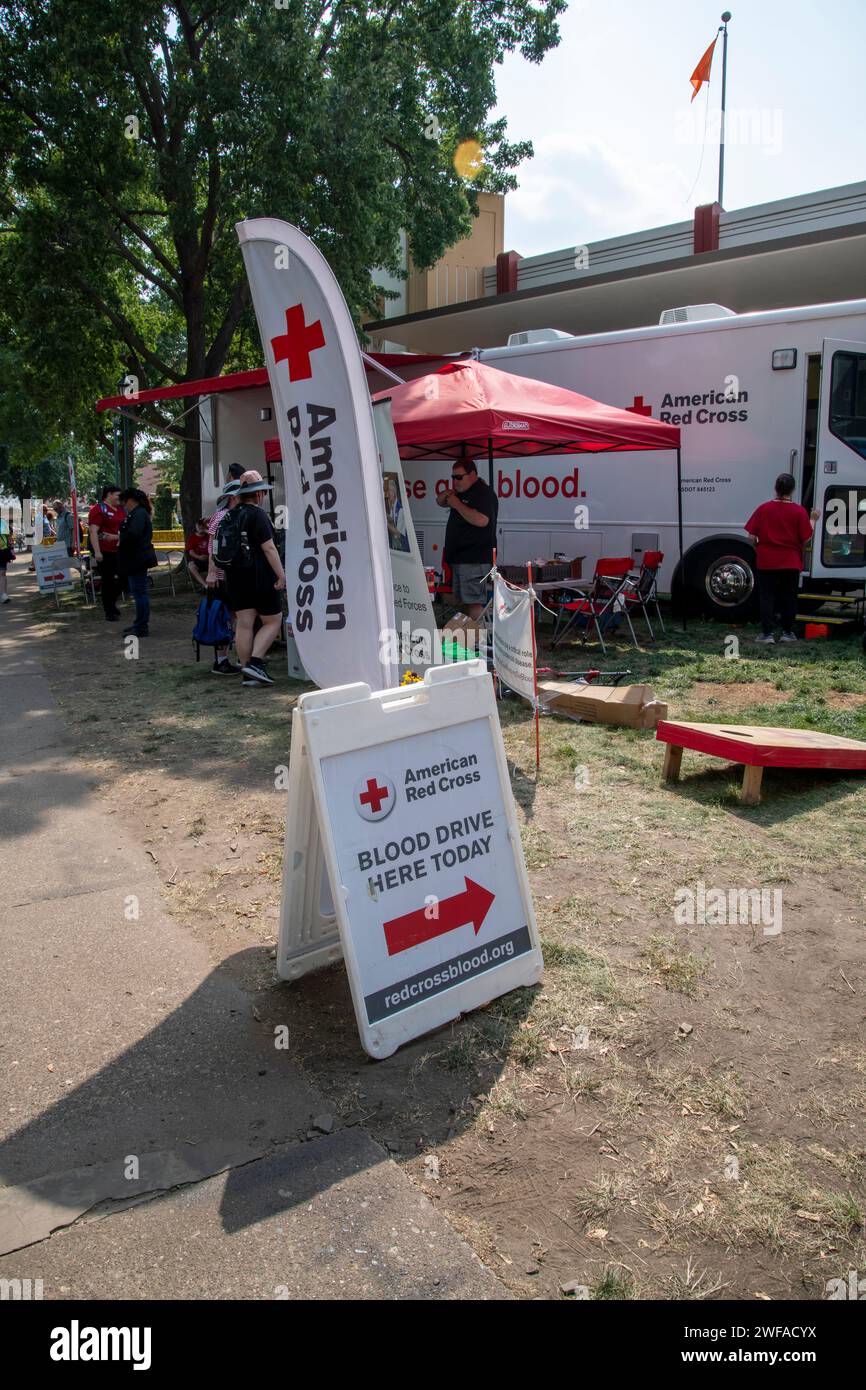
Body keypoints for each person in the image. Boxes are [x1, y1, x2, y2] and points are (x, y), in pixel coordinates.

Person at [217, 469, 286, 687]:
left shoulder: (230, 515)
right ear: (259, 494)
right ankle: (255, 663)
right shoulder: (258, 515)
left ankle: (247, 671)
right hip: (260, 575)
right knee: (273, 620)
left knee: (245, 623)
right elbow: (269, 548)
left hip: (235, 576)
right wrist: (281, 575)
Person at [745, 473, 819, 644]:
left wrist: (759, 547)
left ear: (775, 489)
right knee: (789, 597)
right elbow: (806, 537)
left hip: (767, 560)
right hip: (791, 561)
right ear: (792, 490)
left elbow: (751, 536)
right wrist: (813, 519)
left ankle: (767, 634)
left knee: (767, 597)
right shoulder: (799, 511)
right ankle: (787, 632)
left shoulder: (763, 508)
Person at [436, 458, 498, 620]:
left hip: (474, 558)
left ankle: (479, 642)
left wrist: (457, 504)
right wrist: (448, 495)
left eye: (458, 477)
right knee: (464, 601)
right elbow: (440, 501)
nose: (455, 481)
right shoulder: (461, 492)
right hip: (460, 558)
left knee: (474, 603)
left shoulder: (483, 493)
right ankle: (471, 639)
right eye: (453, 477)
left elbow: (482, 520)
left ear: (472, 475)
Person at [117, 488, 156, 638]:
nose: (123, 505)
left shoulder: (139, 514)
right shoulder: (136, 513)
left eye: (124, 502)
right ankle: (139, 623)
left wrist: (119, 537)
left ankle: (141, 626)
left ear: (131, 500)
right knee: (138, 593)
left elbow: (134, 534)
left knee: (140, 593)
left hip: (137, 559)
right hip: (134, 559)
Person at [88, 485, 126, 622]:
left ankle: (111, 602)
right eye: (117, 495)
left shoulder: (121, 509)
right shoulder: (99, 509)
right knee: (108, 581)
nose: (119, 498)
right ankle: (109, 611)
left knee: (124, 578)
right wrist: (97, 551)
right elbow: (93, 531)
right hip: (105, 552)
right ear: (109, 494)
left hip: (120, 550)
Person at [185, 518, 211, 590]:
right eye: (199, 525)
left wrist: (206, 531)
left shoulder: (209, 536)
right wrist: (199, 557)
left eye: (202, 525)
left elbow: (215, 540)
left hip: (211, 559)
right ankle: (206, 586)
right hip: (198, 560)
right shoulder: (192, 538)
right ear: (196, 526)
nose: (200, 527)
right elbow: (190, 551)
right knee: (191, 566)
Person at [0, 525, 15, 604]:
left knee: (2, 573)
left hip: (2, 552)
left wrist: (11, 548)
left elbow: (9, 536)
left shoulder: (3, 524)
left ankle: (4, 594)